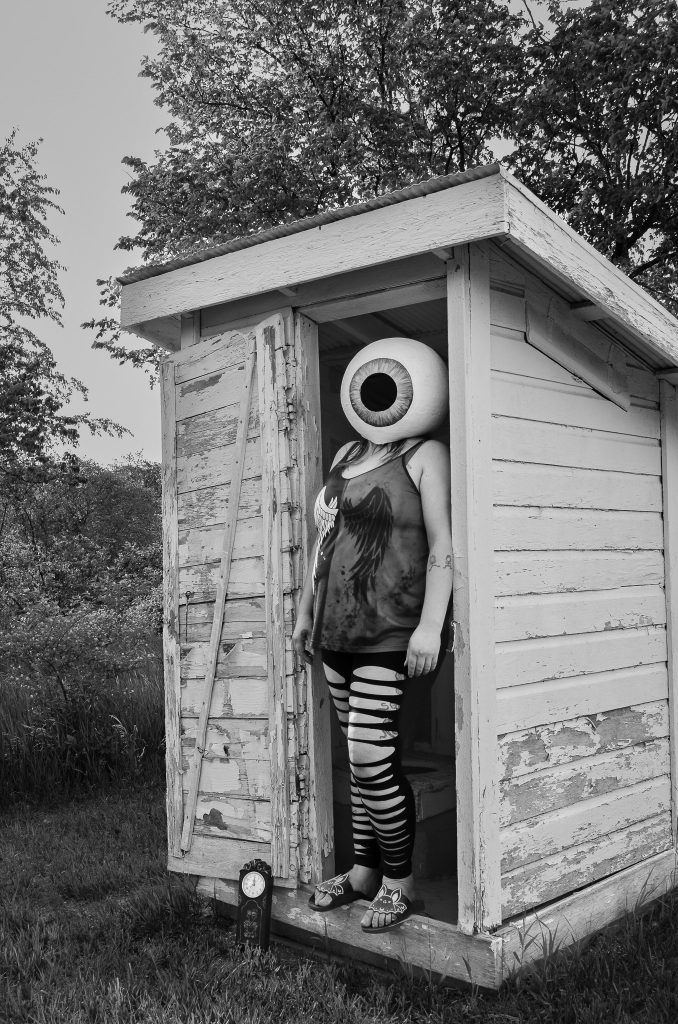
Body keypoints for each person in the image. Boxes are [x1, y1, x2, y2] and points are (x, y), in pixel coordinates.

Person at [291, 337, 453, 933]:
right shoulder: (344, 456)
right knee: (361, 765)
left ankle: (400, 883)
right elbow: (323, 545)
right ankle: (362, 873)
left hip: (391, 632)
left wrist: (430, 625)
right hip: (336, 633)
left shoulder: (424, 452)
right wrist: (307, 610)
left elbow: (443, 545)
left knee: (368, 757)